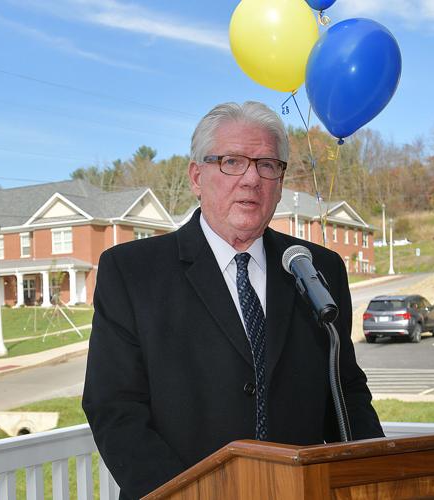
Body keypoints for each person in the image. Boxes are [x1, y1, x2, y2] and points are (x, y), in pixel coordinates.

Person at [82, 101, 384, 499]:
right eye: (231, 162)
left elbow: (346, 391)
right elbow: (115, 408)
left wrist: (379, 476)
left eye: (267, 165)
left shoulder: (316, 268)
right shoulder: (132, 271)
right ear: (196, 176)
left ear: (280, 182)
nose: (251, 179)